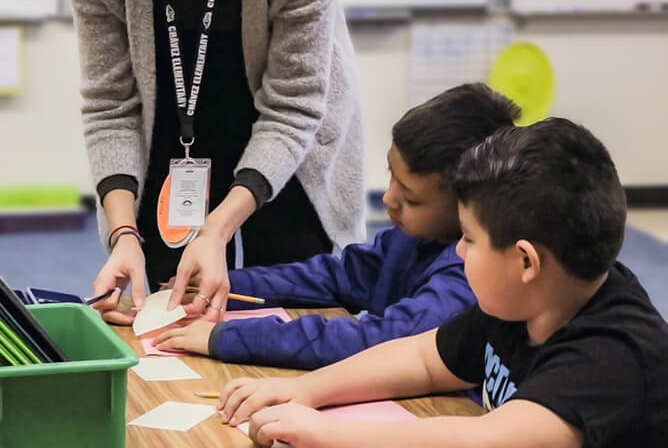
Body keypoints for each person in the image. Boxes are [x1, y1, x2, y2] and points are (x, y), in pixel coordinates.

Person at [61, 0, 365, 324]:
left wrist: (219, 229)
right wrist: (123, 232)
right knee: (164, 312)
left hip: (289, 137)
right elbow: (110, 103)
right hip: (171, 128)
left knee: (297, 311)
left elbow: (295, 103)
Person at [216, 118, 668, 448]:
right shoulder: (526, 300)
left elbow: (488, 439)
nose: (457, 252)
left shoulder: (612, 355)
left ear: (526, 261)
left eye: (469, 239)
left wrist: (327, 433)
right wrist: (306, 391)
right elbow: (423, 357)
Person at [152, 83, 521, 369]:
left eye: (411, 198)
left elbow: (383, 339)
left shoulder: (468, 276)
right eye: (391, 177)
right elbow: (336, 275)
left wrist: (226, 337)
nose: (388, 200)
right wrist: (223, 286)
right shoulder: (411, 238)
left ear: (468, 206)